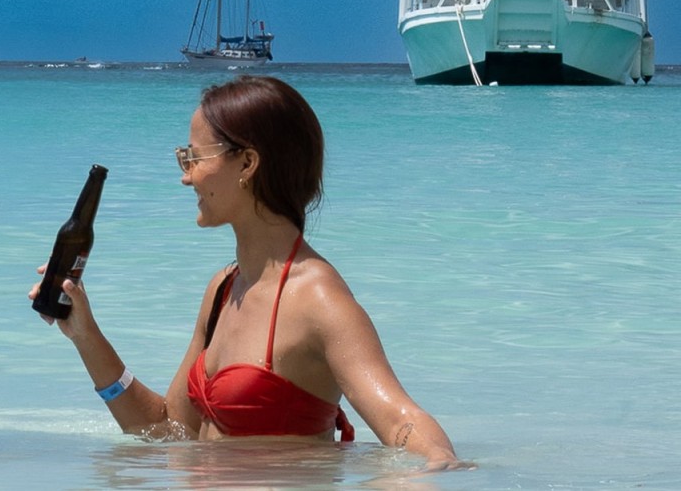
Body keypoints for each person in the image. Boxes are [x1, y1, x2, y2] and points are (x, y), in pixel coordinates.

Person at [30, 75, 461, 470]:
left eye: (193, 158)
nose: (186, 178)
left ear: (248, 163)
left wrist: (438, 461)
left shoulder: (318, 300)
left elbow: (400, 420)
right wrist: (85, 335)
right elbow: (166, 430)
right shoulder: (223, 289)